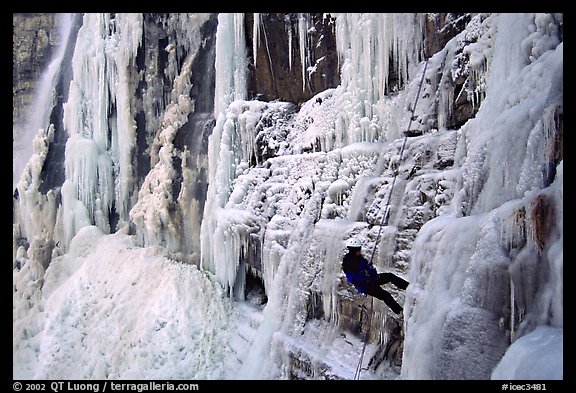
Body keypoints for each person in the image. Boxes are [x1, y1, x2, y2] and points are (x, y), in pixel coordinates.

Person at [342, 237, 409, 314]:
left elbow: (368, 269)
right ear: (353, 250)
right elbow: (352, 278)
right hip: (366, 286)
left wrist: (370, 269)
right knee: (385, 295)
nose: (360, 251)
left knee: (390, 276)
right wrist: (365, 278)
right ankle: (400, 312)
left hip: (373, 279)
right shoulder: (348, 263)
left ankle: (407, 286)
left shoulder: (359, 258)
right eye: (358, 249)